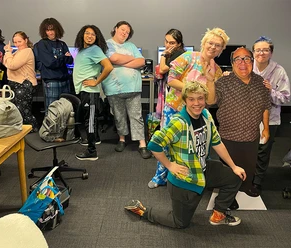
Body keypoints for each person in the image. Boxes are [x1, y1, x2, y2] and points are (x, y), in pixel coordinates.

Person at [125, 81, 246, 228]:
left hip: (202, 170)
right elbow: (154, 144)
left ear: (205, 99)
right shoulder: (179, 122)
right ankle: (143, 211)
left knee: (235, 176)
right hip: (185, 180)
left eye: (200, 98)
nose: (197, 103)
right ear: (185, 101)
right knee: (179, 223)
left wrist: (233, 166)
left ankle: (218, 214)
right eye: (191, 99)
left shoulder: (206, 115)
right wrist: (170, 166)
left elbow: (217, 142)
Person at [148, 27, 229, 188]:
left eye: (218, 45)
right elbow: (171, 80)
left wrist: (211, 80)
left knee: (191, 147)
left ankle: (186, 176)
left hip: (197, 113)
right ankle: (160, 177)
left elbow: (211, 100)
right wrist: (193, 91)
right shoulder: (188, 58)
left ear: (222, 49)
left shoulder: (217, 70)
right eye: (210, 43)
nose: (213, 47)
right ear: (204, 43)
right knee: (167, 144)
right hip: (175, 109)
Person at [207, 47, 272, 201]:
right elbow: (210, 101)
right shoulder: (223, 82)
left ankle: (245, 187)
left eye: (247, 58)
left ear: (252, 61)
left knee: (249, 167)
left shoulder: (261, 83)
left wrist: (266, 129)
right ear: (232, 63)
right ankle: (229, 197)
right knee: (230, 171)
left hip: (251, 135)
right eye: (238, 59)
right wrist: (210, 80)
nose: (243, 62)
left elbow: (266, 107)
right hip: (229, 136)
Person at [101, 21, 152, 159]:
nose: (125, 33)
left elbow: (141, 61)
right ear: (115, 29)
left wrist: (121, 61)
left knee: (137, 116)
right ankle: (122, 139)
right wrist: (130, 59)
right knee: (119, 116)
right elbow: (113, 58)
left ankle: (142, 144)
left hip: (133, 88)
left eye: (127, 32)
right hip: (114, 88)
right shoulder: (106, 44)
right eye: (123, 30)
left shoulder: (131, 46)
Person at [251, 36, 291, 196]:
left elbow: (286, 98)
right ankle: (245, 177)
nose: (261, 53)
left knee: (263, 151)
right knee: (248, 149)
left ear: (271, 53)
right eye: (258, 50)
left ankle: (257, 182)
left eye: (265, 50)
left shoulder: (279, 71)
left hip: (271, 119)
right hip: (247, 118)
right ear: (253, 52)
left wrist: (270, 91)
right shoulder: (246, 67)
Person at [72, 25, 113, 161]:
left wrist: (96, 82)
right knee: (90, 118)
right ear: (82, 35)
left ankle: (91, 151)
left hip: (90, 91)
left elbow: (108, 67)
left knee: (89, 121)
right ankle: (94, 138)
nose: (89, 36)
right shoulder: (83, 50)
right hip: (84, 90)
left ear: (97, 38)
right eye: (87, 33)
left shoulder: (95, 49)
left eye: (93, 34)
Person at [3, 31, 38, 132]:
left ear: (25, 40)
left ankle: (32, 132)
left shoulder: (26, 51)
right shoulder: (18, 52)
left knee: (23, 111)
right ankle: (25, 132)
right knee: (18, 111)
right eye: (15, 42)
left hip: (23, 84)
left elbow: (12, 65)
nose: (17, 44)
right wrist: (8, 54)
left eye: (19, 41)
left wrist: (8, 53)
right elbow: (6, 63)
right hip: (16, 83)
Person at [36, 18, 73, 113]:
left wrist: (58, 58)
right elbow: (50, 63)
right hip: (51, 81)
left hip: (65, 80)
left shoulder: (62, 44)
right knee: (52, 112)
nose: (50, 32)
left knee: (66, 110)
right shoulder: (42, 44)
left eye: (52, 30)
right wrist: (63, 57)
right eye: (48, 30)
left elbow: (70, 60)